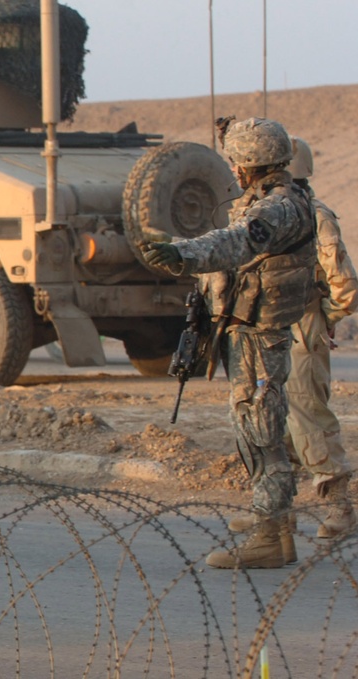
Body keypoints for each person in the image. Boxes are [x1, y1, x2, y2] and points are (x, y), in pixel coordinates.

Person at [143, 117, 316, 569]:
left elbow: (238, 242)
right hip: (244, 330)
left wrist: (184, 254)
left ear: (249, 165)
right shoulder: (265, 200)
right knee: (256, 429)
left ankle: (269, 536)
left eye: (237, 160)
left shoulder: (280, 208)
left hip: (260, 336)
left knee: (261, 434)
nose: (233, 169)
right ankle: (276, 526)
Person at [228, 137, 356, 539]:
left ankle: (340, 506)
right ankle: (275, 512)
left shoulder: (313, 216)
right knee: (269, 423)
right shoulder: (260, 213)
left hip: (300, 327)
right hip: (266, 329)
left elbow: (345, 287)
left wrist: (322, 319)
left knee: (306, 417)